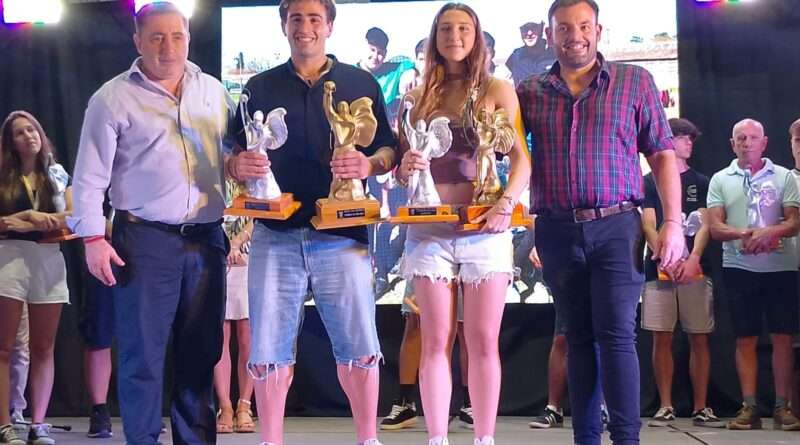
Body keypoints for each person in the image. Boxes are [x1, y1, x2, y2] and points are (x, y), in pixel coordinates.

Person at [225, 1, 397, 444]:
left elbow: (388, 149)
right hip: (275, 235)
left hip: (343, 236)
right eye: (296, 18)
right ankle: (271, 441)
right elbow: (232, 148)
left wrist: (367, 164)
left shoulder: (360, 82)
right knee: (268, 348)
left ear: (330, 26)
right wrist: (236, 164)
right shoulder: (259, 88)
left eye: (314, 18)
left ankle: (367, 439)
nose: (305, 27)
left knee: (360, 344)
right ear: (284, 25)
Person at [516, 1, 685, 443]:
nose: (575, 36)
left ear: (598, 30)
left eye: (584, 26)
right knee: (577, 338)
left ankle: (626, 439)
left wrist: (673, 223)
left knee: (616, 336)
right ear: (550, 35)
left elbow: (661, 154)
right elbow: (507, 155)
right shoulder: (529, 91)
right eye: (564, 28)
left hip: (617, 227)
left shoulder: (635, 81)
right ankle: (586, 438)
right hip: (555, 230)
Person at [67, 2, 236, 444]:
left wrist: (244, 167)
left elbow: (232, 157)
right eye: (157, 37)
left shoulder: (214, 91)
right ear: (137, 41)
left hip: (207, 239)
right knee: (142, 355)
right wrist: (92, 238)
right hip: (144, 240)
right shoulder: (111, 98)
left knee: (201, 352)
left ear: (189, 39)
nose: (168, 47)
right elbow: (88, 177)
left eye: (177, 36)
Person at [394, 3, 531, 445]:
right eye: (446, 29)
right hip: (430, 231)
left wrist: (506, 203)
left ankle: (484, 438)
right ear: (435, 37)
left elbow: (521, 160)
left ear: (477, 36)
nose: (455, 36)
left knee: (483, 341)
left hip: (484, 230)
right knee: (435, 340)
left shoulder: (498, 88)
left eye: (464, 28)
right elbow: (401, 170)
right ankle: (437, 438)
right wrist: (405, 167)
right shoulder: (415, 97)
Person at [706, 118, 800, 431]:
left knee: (782, 337)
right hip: (739, 267)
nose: (747, 143)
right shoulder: (720, 179)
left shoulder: (784, 176)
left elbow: (794, 221)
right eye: (741, 138)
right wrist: (745, 234)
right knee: (744, 337)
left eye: (753, 137)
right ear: (732, 144)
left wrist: (769, 233)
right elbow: (715, 226)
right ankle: (749, 406)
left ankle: (782, 406)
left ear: (765, 142)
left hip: (781, 268)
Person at [640, 118, 724, 428]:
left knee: (699, 337)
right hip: (659, 267)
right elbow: (648, 224)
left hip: (694, 269)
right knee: (661, 337)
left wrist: (692, 258)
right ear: (669, 140)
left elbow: (705, 224)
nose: (689, 143)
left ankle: (701, 406)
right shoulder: (649, 181)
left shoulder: (701, 181)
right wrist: (664, 255)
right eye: (683, 137)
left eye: (691, 138)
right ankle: (665, 405)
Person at [0, 110, 72, 445]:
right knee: (5, 347)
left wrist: (34, 219)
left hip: (48, 258)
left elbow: (74, 216)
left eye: (32, 129)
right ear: (10, 142)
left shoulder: (56, 173)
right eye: (20, 132)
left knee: (44, 346)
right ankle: (5, 424)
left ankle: (38, 424)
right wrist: (27, 217)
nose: (28, 136)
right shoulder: (3, 175)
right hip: (9, 257)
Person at [214, 182, 255, 435]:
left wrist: (238, 242)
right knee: (220, 335)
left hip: (250, 259)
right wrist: (226, 246)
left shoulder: (257, 175)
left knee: (247, 336)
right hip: (216, 257)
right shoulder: (210, 172)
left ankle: (245, 405)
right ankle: (225, 406)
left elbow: (262, 214)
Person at [358, 26, 416, 125]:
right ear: (363, 47)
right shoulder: (351, 73)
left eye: (380, 53)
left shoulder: (393, 71)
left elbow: (409, 64)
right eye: (372, 50)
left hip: (386, 129)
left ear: (385, 54)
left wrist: (411, 71)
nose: (375, 57)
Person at [505, 21, 555, 87]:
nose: (529, 33)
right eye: (525, 28)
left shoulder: (556, 54)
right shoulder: (515, 56)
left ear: (541, 28)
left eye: (533, 27)